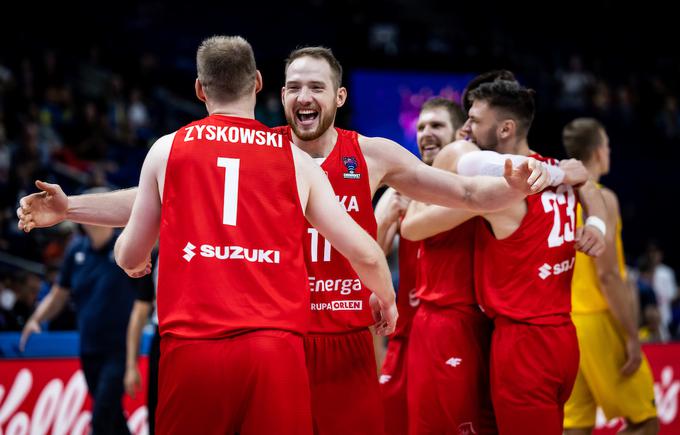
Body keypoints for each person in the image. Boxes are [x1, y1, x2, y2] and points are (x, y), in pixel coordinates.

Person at [19, 46, 547, 434]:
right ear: (277, 93)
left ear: (338, 96)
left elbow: (462, 191)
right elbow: (148, 198)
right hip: (280, 342)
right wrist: (75, 208)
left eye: (316, 86)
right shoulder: (259, 150)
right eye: (294, 86)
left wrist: (510, 186)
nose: (303, 96)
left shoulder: (373, 154)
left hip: (341, 344)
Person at [112, 35, 403, 434]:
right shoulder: (295, 160)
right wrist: (386, 300)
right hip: (274, 351)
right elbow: (367, 254)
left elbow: (131, 253)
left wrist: (131, 258)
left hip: (193, 348)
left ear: (200, 88)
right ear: (260, 83)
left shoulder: (168, 149)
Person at [402, 80, 607, 435]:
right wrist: (597, 225)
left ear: (505, 128)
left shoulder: (505, 188)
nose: (466, 130)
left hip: (521, 343)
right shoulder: (555, 169)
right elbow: (585, 181)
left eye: (474, 120)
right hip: (562, 335)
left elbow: (414, 227)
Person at [560, 118, 658, 435]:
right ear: (599, 152)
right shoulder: (603, 198)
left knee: (575, 427)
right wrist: (632, 335)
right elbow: (609, 276)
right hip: (598, 319)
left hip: (564, 324)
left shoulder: (557, 198)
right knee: (646, 421)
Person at [374, 97, 466, 435]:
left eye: (437, 125)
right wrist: (385, 221)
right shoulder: (401, 188)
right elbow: (370, 256)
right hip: (406, 334)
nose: (426, 133)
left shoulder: (469, 189)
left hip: (453, 331)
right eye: (422, 126)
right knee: (392, 422)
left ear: (460, 134)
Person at [20, 188, 142, 435]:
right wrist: (36, 319)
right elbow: (58, 295)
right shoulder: (75, 252)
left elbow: (144, 298)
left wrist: (132, 362)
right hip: (89, 347)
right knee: (112, 418)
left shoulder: (126, 246)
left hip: (119, 349)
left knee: (101, 416)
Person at [124, 260, 160, 435]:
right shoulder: (156, 258)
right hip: (165, 338)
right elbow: (138, 314)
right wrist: (131, 366)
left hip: (211, 337)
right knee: (158, 413)